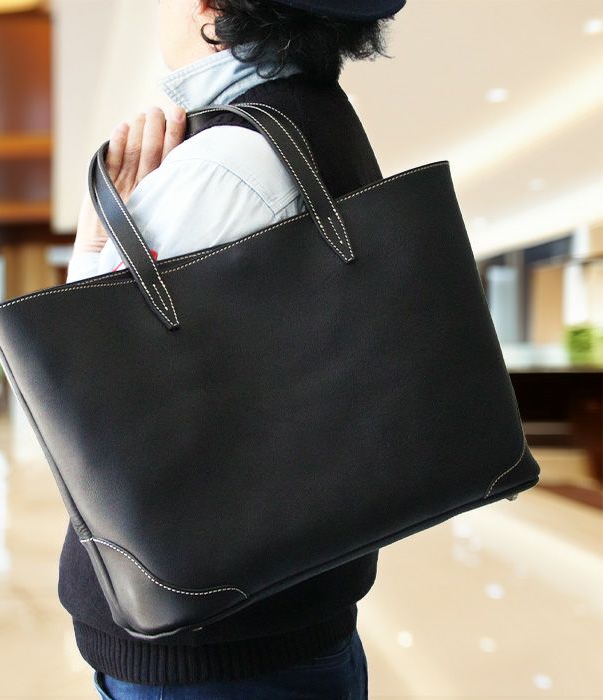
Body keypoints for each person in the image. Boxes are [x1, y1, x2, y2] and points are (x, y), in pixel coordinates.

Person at [64, 1, 405, 698]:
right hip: (282, 619)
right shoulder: (317, 126)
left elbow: (84, 403)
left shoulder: (225, 164)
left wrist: (93, 241)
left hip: (208, 653)